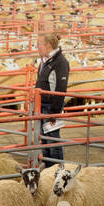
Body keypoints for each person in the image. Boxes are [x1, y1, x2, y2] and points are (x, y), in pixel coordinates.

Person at [35, 33, 70, 166]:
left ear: (48, 45)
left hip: (51, 106)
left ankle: (57, 169)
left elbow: (61, 88)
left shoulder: (60, 62)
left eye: (39, 44)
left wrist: (55, 111)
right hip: (42, 105)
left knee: (53, 140)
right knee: (45, 140)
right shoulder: (44, 61)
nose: (37, 47)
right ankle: (49, 168)